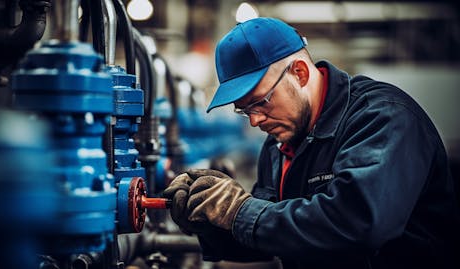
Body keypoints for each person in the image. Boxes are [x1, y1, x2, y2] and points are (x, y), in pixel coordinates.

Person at [163, 17, 460, 269]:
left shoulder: (383, 119)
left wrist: (241, 211)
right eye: (245, 110)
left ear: (300, 73)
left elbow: (357, 225)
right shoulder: (279, 143)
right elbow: (274, 237)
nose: (254, 121)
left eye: (261, 102)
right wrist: (209, 220)